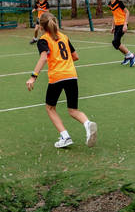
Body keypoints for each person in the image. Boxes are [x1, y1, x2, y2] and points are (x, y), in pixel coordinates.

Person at [26, 12, 97, 148]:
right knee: (73, 110)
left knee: (50, 107)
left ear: (41, 27)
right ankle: (88, 124)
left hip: (57, 76)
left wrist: (33, 76)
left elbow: (44, 57)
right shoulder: (64, 37)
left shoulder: (43, 40)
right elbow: (75, 56)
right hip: (71, 75)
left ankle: (65, 136)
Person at [107, 0, 135, 66]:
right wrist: (112, 26)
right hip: (117, 25)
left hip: (122, 24)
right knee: (115, 43)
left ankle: (131, 55)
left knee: (115, 42)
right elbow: (114, 15)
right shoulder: (110, 4)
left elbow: (127, 12)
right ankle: (128, 56)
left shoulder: (118, 2)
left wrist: (125, 24)